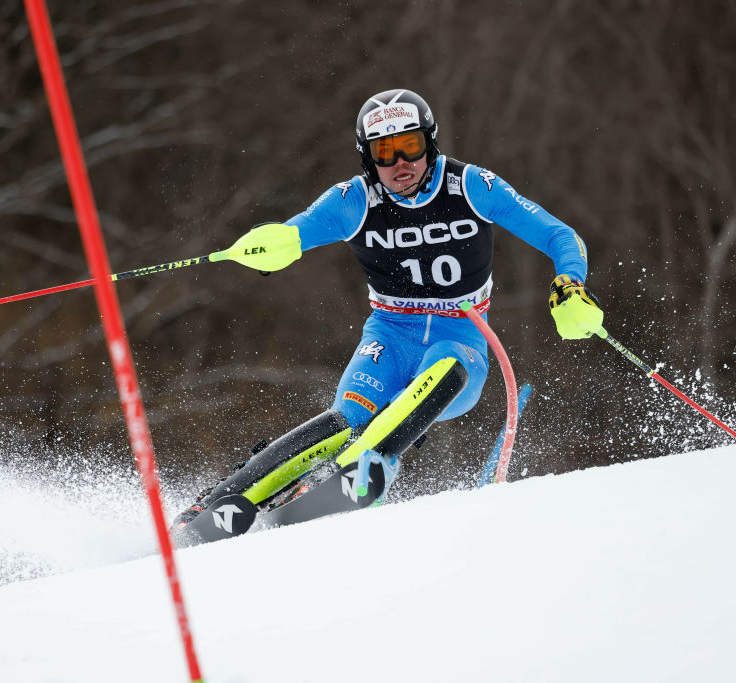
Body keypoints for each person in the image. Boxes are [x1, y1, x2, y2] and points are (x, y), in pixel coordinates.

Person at [171, 88, 603, 532]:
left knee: (442, 369)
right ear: (367, 158)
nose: (400, 163)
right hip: (389, 335)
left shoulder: (472, 186)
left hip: (462, 338)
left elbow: (559, 235)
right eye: (385, 152)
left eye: (411, 146)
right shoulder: (352, 201)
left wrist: (569, 282)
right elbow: (292, 234)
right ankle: (225, 498)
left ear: (430, 142)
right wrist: (268, 245)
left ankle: (361, 476)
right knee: (350, 419)